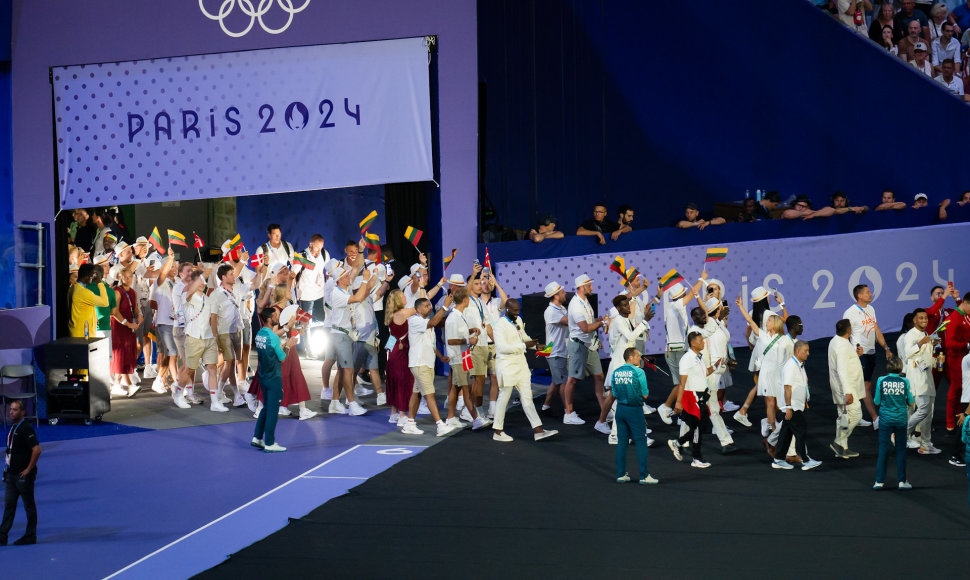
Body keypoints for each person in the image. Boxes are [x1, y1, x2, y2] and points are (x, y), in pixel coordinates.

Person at [490, 299, 558, 442]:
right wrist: (524, 345)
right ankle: (498, 431)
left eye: (518, 311)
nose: (517, 314)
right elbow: (502, 348)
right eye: (514, 312)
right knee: (504, 398)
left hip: (521, 365)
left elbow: (524, 337)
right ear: (507, 310)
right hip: (506, 366)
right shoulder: (499, 325)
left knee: (527, 398)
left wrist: (536, 345)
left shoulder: (519, 320)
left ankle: (538, 430)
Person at [401, 297, 456, 437]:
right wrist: (444, 307)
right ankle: (440, 425)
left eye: (430, 305)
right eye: (426, 306)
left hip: (426, 363)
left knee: (417, 393)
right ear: (418, 309)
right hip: (420, 364)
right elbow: (433, 322)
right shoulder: (414, 321)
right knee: (430, 395)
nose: (430, 308)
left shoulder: (425, 322)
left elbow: (430, 343)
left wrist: (440, 356)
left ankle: (410, 423)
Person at [657, 273, 708, 423]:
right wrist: (701, 278)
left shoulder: (676, 308)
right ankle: (666, 406)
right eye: (684, 292)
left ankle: (683, 413)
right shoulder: (676, 305)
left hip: (677, 350)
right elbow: (693, 293)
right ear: (681, 295)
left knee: (685, 383)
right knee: (681, 383)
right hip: (676, 351)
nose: (687, 293)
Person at [844, 284, 893, 428]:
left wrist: (886, 347)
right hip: (859, 354)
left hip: (871, 352)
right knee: (866, 386)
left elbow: (876, 330)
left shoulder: (871, 309)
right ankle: (875, 418)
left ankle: (854, 416)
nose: (871, 294)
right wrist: (850, 353)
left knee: (859, 385)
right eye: (867, 292)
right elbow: (845, 335)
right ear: (859, 296)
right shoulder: (850, 312)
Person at [251, 307, 299, 453]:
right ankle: (270, 443)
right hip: (274, 378)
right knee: (272, 411)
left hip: (263, 377)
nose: (278, 317)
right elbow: (282, 358)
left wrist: (283, 340)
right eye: (275, 315)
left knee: (266, 407)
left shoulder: (260, 334)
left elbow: (272, 347)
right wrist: (289, 346)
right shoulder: (273, 337)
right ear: (269, 319)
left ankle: (257, 437)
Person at [562, 274, 608, 425]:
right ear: (581, 287)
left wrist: (600, 320)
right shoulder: (575, 305)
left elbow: (588, 321)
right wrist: (601, 325)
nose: (592, 288)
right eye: (589, 286)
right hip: (578, 346)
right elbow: (585, 328)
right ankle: (568, 413)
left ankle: (605, 410)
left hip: (589, 346)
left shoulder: (585, 301)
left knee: (599, 376)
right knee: (572, 380)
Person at [443, 286, 490, 430]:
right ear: (465, 300)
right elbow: (450, 340)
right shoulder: (453, 317)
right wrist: (469, 341)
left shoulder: (459, 315)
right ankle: (475, 419)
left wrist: (471, 331)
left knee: (456, 388)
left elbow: (460, 332)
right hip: (458, 357)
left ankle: (451, 418)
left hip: (464, 355)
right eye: (468, 298)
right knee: (466, 388)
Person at [176, 270, 224, 412]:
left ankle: (215, 402)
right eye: (200, 281)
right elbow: (190, 291)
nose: (202, 284)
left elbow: (213, 319)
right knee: (190, 369)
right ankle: (178, 394)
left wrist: (216, 337)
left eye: (204, 281)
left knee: (212, 368)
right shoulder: (186, 296)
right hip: (194, 337)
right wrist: (203, 273)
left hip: (209, 338)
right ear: (193, 282)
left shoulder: (209, 299)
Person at [771, 340, 822, 471]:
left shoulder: (799, 365)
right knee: (801, 431)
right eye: (806, 351)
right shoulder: (791, 366)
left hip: (797, 405)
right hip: (792, 406)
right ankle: (805, 460)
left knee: (786, 433)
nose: (808, 353)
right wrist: (788, 407)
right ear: (798, 351)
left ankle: (778, 459)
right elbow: (787, 387)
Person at [612, 348, 658, 485]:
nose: (640, 358)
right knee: (641, 441)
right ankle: (644, 476)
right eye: (638, 356)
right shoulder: (639, 372)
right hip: (635, 410)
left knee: (622, 443)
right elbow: (645, 395)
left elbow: (614, 393)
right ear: (630, 358)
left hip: (620, 410)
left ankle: (621, 474)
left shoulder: (616, 372)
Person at [668, 331, 713, 469]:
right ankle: (696, 458)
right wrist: (678, 402)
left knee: (700, 427)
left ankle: (678, 443)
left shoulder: (698, 357)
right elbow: (682, 383)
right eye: (700, 341)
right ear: (693, 343)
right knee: (697, 428)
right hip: (691, 397)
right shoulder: (687, 359)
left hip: (700, 397)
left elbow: (705, 373)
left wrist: (716, 366)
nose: (703, 343)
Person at [0, 400, 41, 545]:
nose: (11, 412)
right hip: (11, 474)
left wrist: (29, 469)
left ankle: (31, 535)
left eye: (15, 410)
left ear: (23, 412)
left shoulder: (26, 428)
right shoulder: (13, 428)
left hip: (22, 476)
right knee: (9, 506)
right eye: (10, 409)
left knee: (29, 505)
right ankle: (2, 535)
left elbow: (37, 449)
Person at [873, 356, 914, 489]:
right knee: (901, 449)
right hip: (901, 419)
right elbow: (911, 401)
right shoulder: (905, 381)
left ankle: (879, 482)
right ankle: (902, 481)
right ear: (900, 368)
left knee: (883, 449)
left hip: (885, 420)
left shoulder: (881, 380)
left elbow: (877, 401)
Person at [829, 318, 865, 459]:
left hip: (841, 386)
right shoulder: (842, 345)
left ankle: (842, 448)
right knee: (856, 415)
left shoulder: (835, 341)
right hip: (846, 388)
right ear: (849, 330)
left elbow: (843, 362)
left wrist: (855, 355)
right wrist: (848, 392)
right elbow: (842, 370)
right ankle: (838, 442)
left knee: (844, 417)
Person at [385, 289, 415, 426]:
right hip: (400, 353)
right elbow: (422, 306)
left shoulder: (391, 314)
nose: (405, 297)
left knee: (396, 382)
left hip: (393, 352)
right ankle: (403, 415)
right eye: (403, 295)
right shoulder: (402, 313)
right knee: (403, 382)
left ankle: (394, 413)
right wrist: (421, 288)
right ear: (398, 300)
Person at [109, 269, 142, 398]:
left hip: (130, 327)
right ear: (121, 278)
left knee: (127, 354)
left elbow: (135, 308)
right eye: (126, 277)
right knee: (121, 355)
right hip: (119, 327)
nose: (128, 279)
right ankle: (130, 385)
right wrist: (128, 324)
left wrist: (139, 315)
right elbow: (114, 312)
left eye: (130, 277)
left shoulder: (133, 292)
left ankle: (116, 384)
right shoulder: (117, 291)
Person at [540, 281, 569, 412]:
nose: (565, 294)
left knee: (557, 380)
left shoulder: (562, 308)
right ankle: (568, 411)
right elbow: (569, 322)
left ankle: (546, 405)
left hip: (560, 350)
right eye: (563, 292)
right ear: (556, 296)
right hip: (554, 352)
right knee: (563, 381)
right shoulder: (551, 311)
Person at [68, 263, 109, 337]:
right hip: (82, 334)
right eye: (92, 275)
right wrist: (100, 283)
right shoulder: (83, 292)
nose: (93, 277)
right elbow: (105, 302)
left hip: (79, 332)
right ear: (88, 275)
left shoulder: (73, 288)